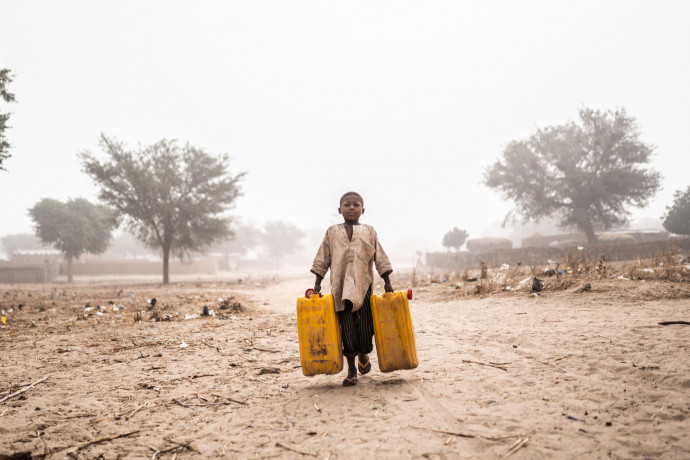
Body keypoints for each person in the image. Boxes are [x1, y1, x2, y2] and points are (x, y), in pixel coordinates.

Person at [310, 191, 394, 386]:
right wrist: (317, 282)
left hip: (363, 286)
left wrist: (387, 281)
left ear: (362, 210)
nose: (351, 207)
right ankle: (351, 368)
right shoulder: (332, 232)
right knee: (346, 328)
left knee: (365, 328)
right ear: (339, 210)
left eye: (356, 205)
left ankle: (364, 355)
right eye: (347, 205)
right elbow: (323, 257)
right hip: (340, 289)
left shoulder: (369, 231)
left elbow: (379, 256)